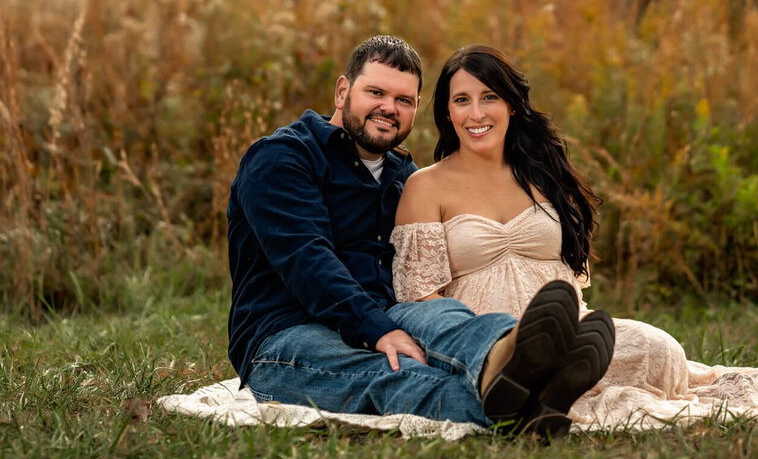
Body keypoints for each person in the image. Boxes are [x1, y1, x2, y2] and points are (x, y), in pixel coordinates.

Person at [391, 46, 758, 428]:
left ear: (512, 104)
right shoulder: (427, 186)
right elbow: (420, 300)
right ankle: (524, 384)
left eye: (488, 96)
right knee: (551, 364)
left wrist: (573, 326)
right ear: (445, 111)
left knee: (658, 349)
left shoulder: (541, 176)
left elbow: (566, 281)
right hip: (491, 345)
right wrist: (490, 346)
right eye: (461, 100)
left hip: (560, 325)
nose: (476, 113)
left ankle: (557, 384)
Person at [226, 35, 615, 437]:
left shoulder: (403, 179)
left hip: (387, 317)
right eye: (375, 92)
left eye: (404, 100)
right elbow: (307, 261)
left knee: (440, 314)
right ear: (343, 91)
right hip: (289, 337)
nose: (388, 108)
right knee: (392, 372)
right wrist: (378, 330)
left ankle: (504, 351)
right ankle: (527, 407)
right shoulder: (283, 158)